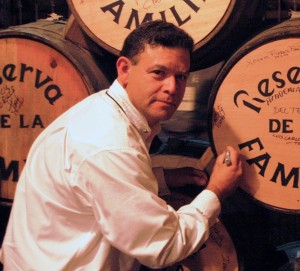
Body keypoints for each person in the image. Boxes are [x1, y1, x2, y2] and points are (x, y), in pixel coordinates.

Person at [0, 20, 242, 270]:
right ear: (124, 69)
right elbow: (164, 246)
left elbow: (93, 190)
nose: (172, 88)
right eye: (159, 73)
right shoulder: (109, 143)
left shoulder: (104, 110)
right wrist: (216, 191)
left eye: (181, 77)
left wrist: (162, 178)